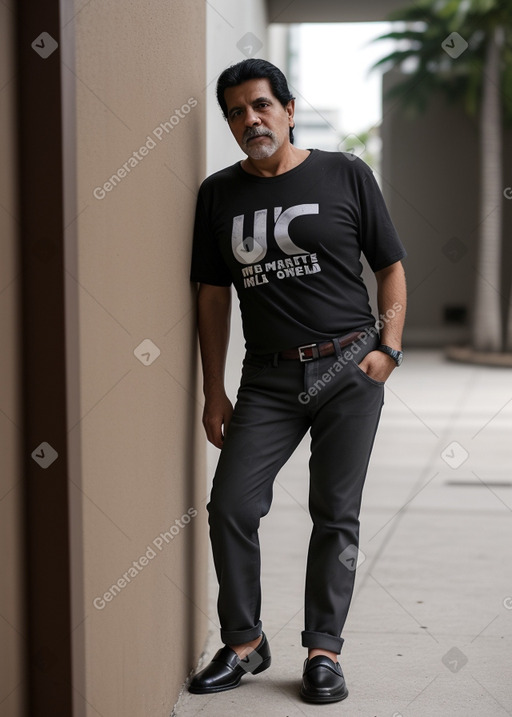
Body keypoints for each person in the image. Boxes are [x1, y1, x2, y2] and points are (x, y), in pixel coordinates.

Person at [188, 58, 407, 704]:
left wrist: (388, 348)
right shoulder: (217, 195)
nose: (249, 119)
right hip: (268, 378)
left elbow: (390, 266)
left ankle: (323, 650)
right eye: (235, 111)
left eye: (260, 105)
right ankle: (246, 642)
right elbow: (209, 296)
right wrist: (213, 390)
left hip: (349, 366)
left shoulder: (344, 173)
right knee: (231, 503)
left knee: (334, 513)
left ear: (286, 107)